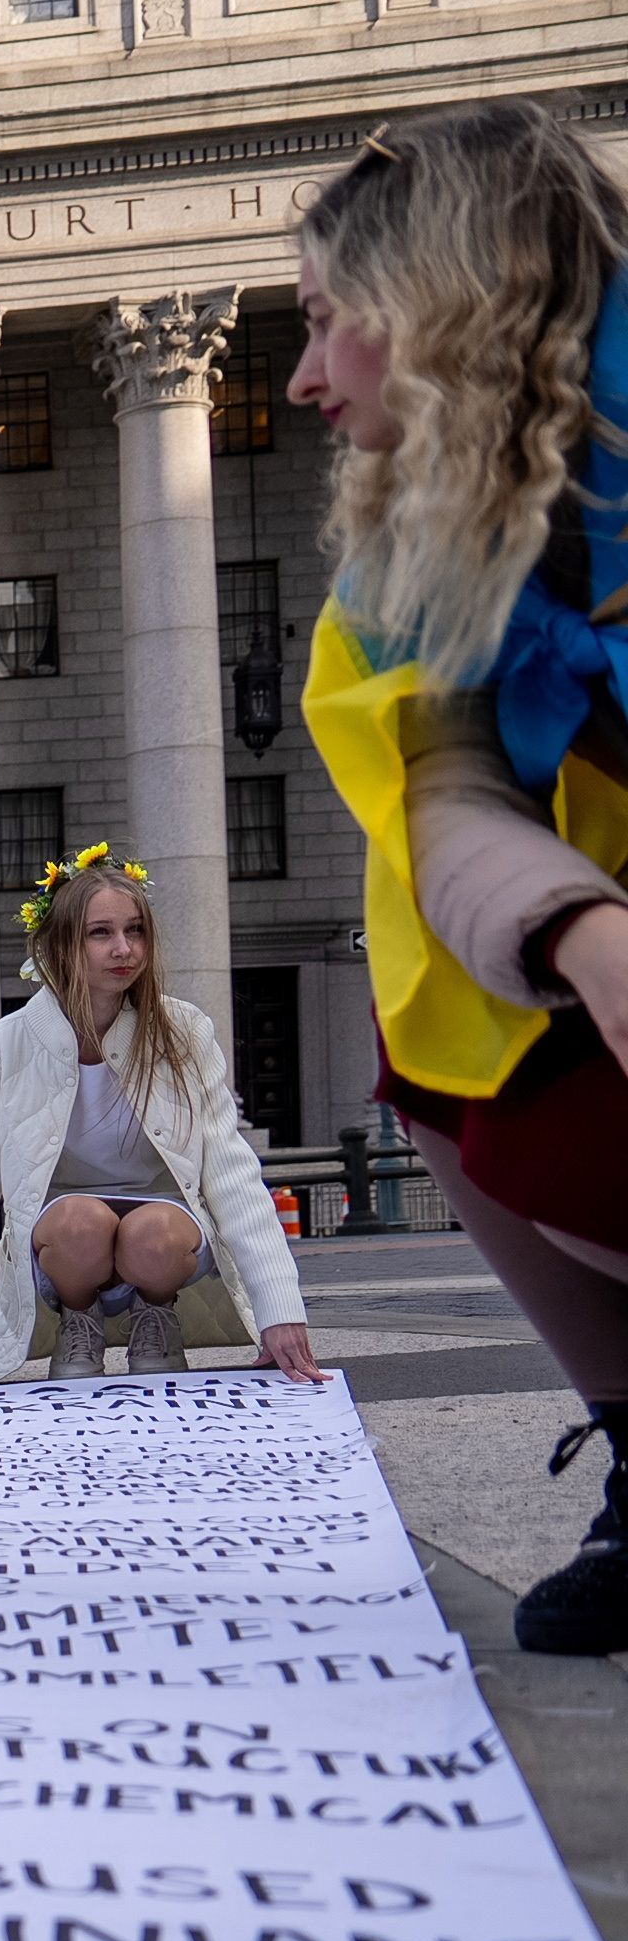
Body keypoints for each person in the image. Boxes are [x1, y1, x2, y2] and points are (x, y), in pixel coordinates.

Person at [290, 97, 628, 1651]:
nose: (300, 380)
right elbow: (443, 787)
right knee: (444, 1058)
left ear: (435, 303)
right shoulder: (397, 579)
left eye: (325, 323)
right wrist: (578, 928)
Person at [0, 846, 317, 1394]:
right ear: (61, 945)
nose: (124, 949)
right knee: (78, 1222)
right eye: (101, 933)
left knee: (153, 1233)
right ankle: (79, 1319)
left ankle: (157, 1315)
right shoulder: (8, 1045)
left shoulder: (183, 1030)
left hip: (165, 1224)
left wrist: (280, 1311)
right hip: (65, 1230)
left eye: (135, 930)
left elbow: (232, 1172)